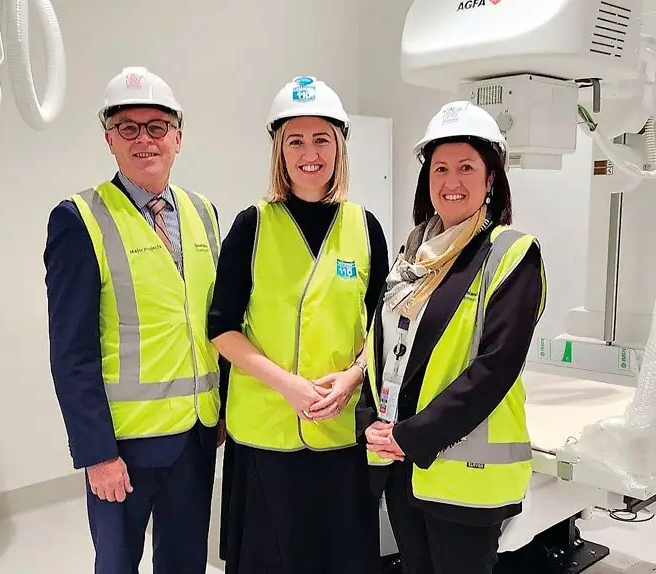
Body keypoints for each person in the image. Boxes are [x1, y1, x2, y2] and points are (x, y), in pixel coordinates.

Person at [44, 66, 226, 574]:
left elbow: (215, 322)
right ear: (110, 139)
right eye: (128, 128)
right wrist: (96, 453)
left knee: (185, 560)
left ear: (178, 138)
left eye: (157, 127)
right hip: (124, 445)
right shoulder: (80, 219)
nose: (144, 139)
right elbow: (71, 351)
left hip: (196, 435)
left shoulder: (204, 212)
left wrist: (224, 408)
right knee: (118, 562)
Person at [356, 101, 548, 574]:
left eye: (466, 167)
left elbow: (495, 367)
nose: (451, 180)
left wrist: (412, 436)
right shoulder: (413, 254)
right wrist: (369, 420)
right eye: (440, 168)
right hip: (401, 465)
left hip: (464, 475)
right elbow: (383, 348)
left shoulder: (512, 254)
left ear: (490, 179)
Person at [208, 75, 390, 574]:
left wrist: (353, 376)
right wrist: (287, 385)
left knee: (339, 559)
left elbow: (383, 328)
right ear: (279, 151)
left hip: (340, 430)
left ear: (339, 146)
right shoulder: (252, 225)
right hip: (267, 434)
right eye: (296, 141)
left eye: (321, 139)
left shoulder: (365, 227)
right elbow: (222, 328)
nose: (310, 153)